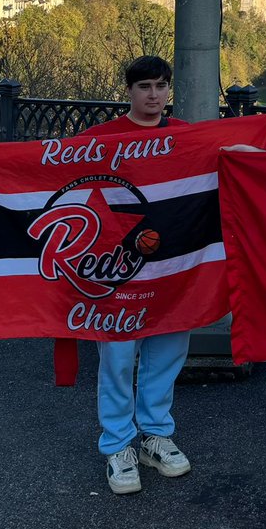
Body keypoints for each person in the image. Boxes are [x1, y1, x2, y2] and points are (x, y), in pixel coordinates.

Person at [74, 55, 193, 495]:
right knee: (118, 360)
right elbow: (53, 168)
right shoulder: (100, 139)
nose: (154, 95)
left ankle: (156, 435)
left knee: (167, 353)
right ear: (128, 90)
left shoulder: (185, 136)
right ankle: (118, 445)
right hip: (117, 271)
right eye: (145, 86)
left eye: (161, 86)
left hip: (171, 270)